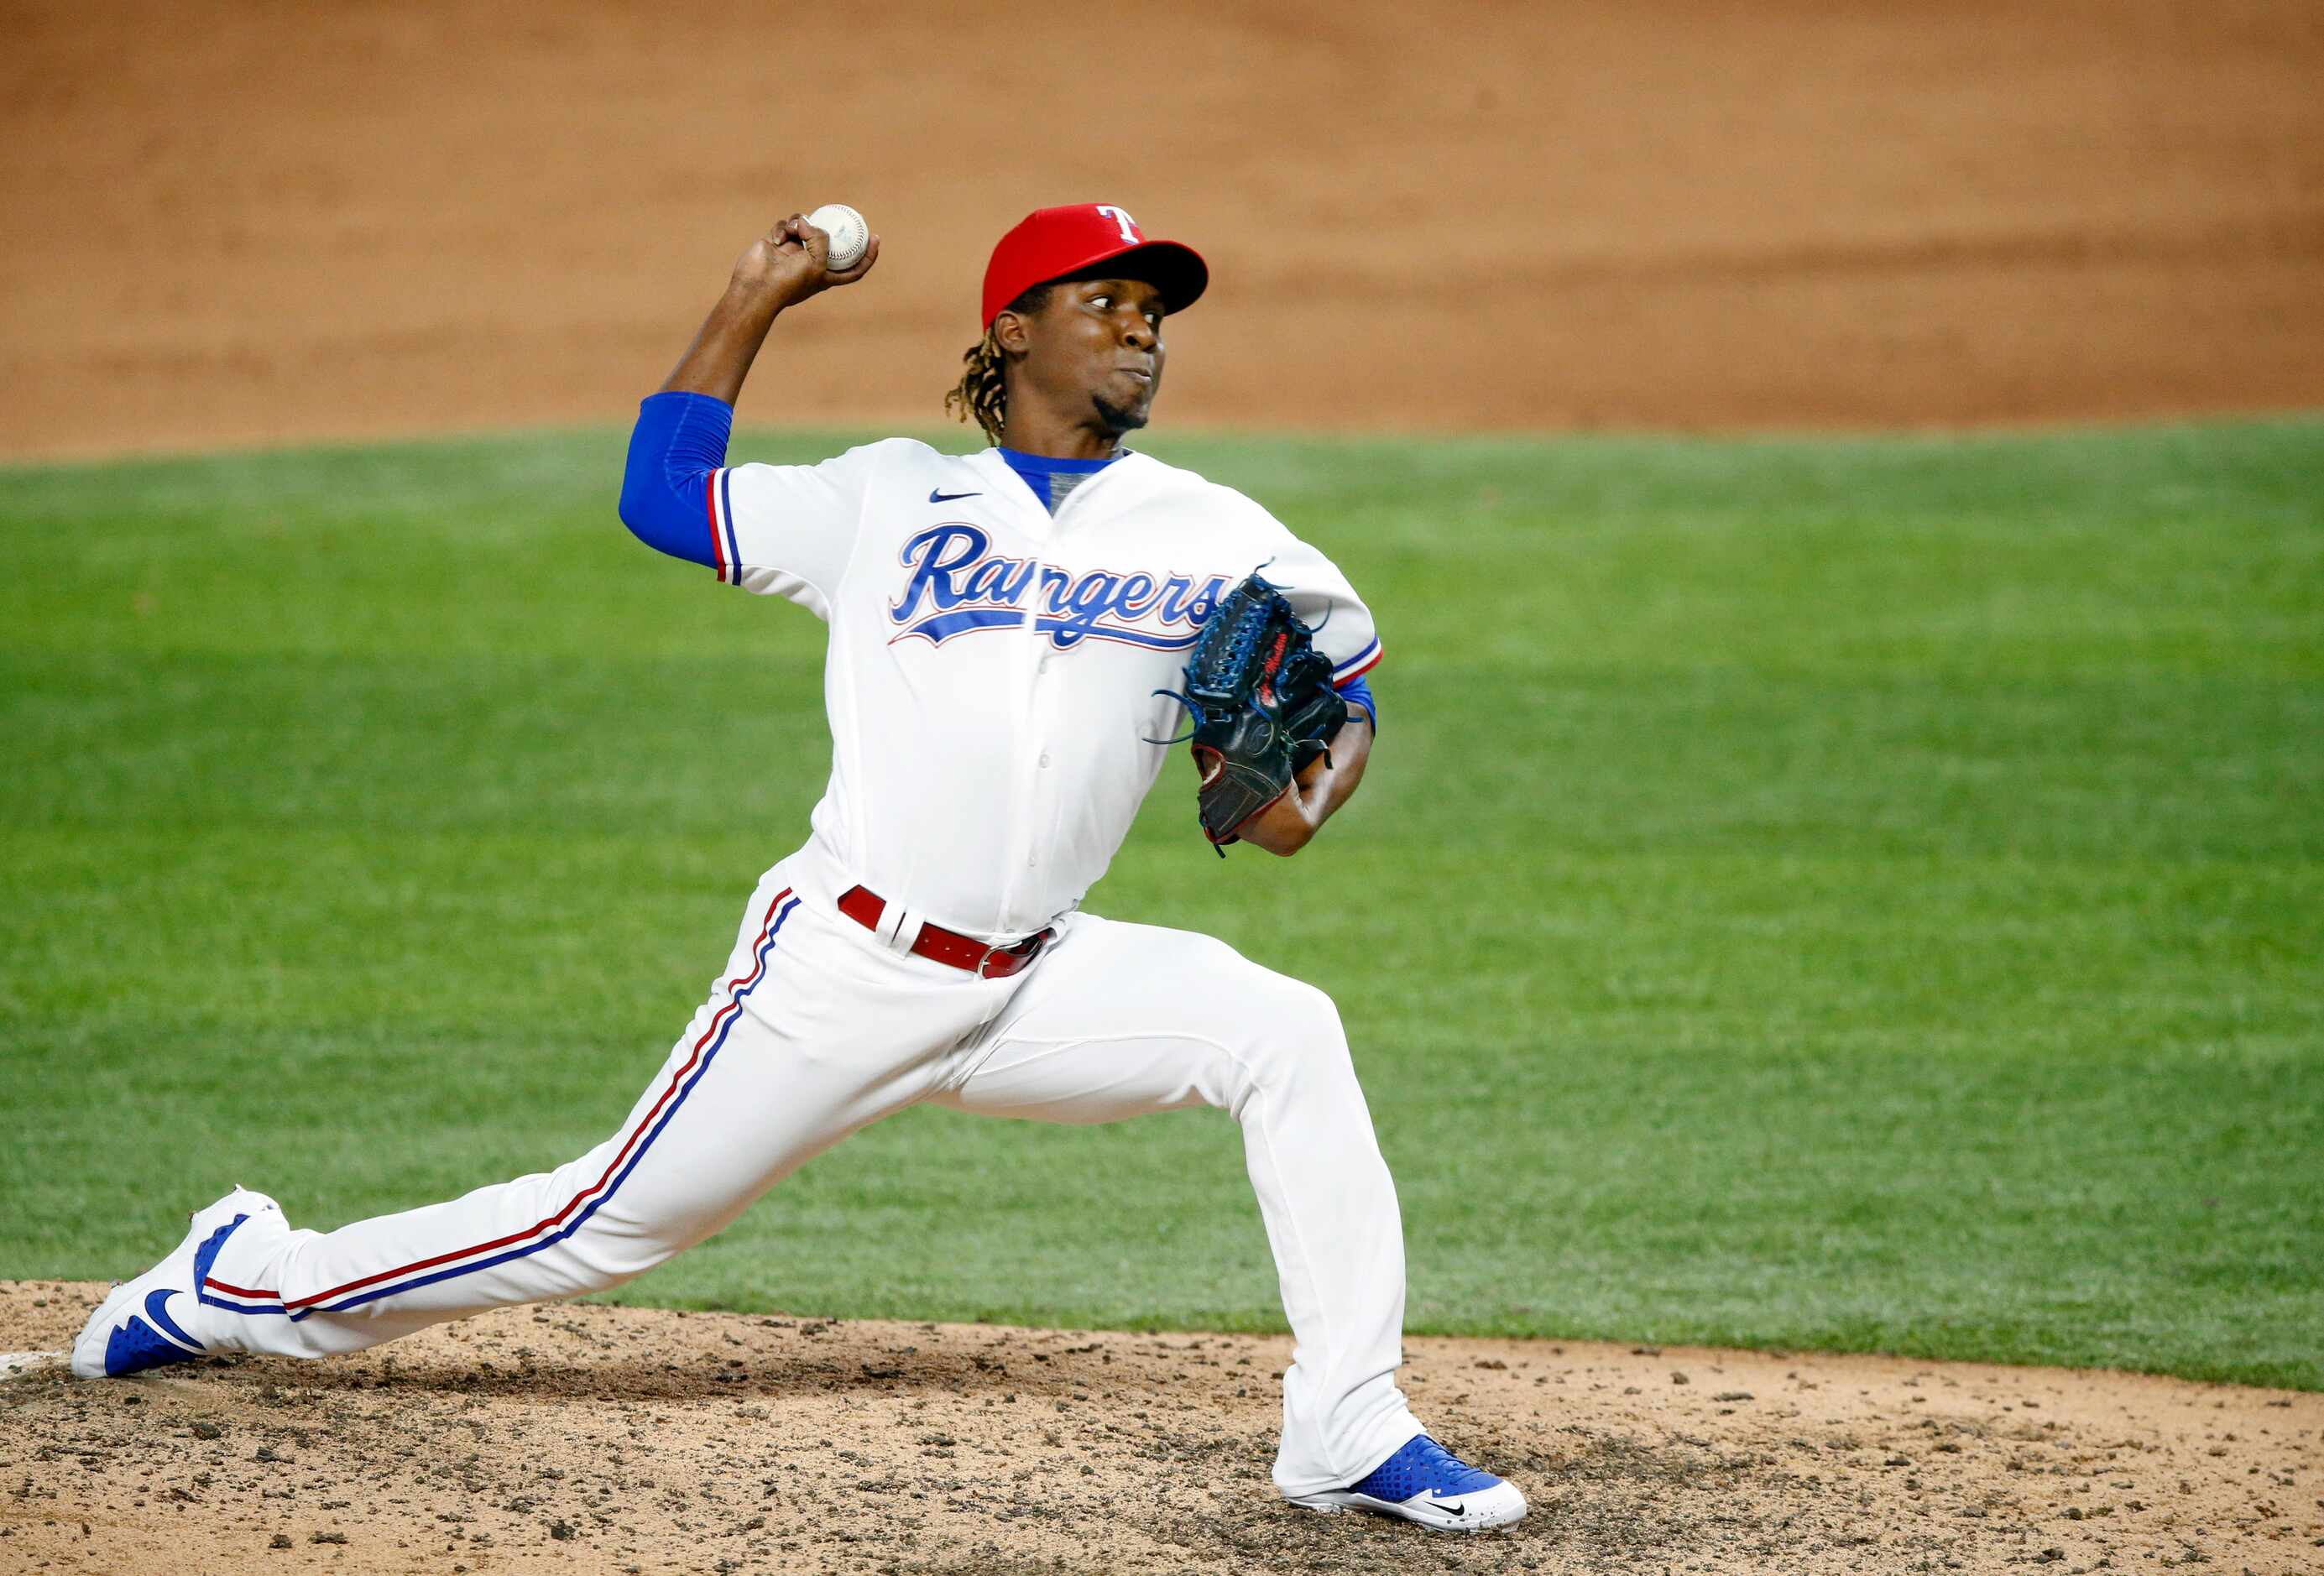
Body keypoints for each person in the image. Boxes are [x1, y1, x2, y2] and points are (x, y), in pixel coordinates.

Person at [72, 204, 1525, 1532]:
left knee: (1286, 1030)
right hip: (845, 966)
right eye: (1107, 298)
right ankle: (240, 1279)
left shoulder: (1219, 531)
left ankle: (1343, 1421)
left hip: (1041, 978)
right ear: (1013, 329)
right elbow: (662, 495)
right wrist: (755, 293)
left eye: (1156, 307)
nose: (1142, 324)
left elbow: (1347, 690)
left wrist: (1301, 801)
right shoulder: (886, 496)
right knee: (598, 1225)